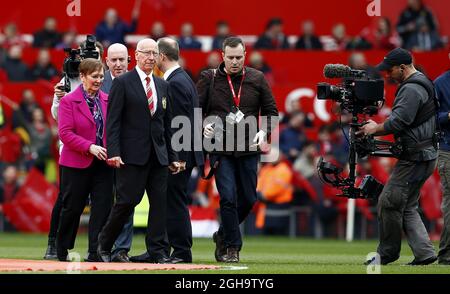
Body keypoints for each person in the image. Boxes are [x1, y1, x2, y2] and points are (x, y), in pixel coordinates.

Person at [97, 38, 181, 263]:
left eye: (155, 54)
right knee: (126, 203)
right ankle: (104, 244)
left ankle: (158, 251)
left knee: (159, 205)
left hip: (159, 156)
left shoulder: (163, 85)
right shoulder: (123, 82)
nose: (151, 58)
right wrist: (113, 151)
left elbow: (166, 124)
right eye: (146, 53)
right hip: (131, 156)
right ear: (136, 55)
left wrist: (173, 157)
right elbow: (112, 122)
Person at [197, 37, 279, 262]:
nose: (235, 61)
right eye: (230, 57)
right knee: (227, 198)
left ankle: (222, 234)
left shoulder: (257, 77)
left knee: (249, 198)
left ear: (245, 54)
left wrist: (265, 131)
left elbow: (272, 111)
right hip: (220, 150)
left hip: (248, 149)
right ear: (222, 55)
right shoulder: (209, 78)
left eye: (239, 57)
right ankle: (232, 247)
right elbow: (195, 110)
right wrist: (203, 126)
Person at [358, 48, 438, 266]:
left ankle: (387, 253)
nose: (387, 74)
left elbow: (399, 121)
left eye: (390, 70)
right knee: (407, 205)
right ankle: (425, 254)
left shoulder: (411, 88)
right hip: (425, 153)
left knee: (389, 201)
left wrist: (374, 129)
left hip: (415, 156)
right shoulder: (423, 81)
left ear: (402, 68)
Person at [44, 41, 104, 260]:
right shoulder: (67, 79)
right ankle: (54, 243)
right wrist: (59, 100)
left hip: (101, 154)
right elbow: (57, 117)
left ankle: (98, 248)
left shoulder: (104, 81)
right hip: (72, 150)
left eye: (96, 54)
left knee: (103, 201)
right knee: (67, 201)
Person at [55, 58, 112, 261]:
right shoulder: (68, 101)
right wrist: (89, 147)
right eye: (94, 76)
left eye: (101, 77)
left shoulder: (107, 99)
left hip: (103, 165)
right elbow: (65, 133)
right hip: (75, 164)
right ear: (82, 76)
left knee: (103, 206)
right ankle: (61, 248)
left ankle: (96, 251)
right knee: (72, 208)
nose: (98, 80)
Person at [157, 37, 204, 263]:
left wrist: (179, 159)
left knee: (174, 203)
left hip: (180, 156)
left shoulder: (174, 83)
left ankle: (182, 251)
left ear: (162, 56)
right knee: (173, 202)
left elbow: (180, 123)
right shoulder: (183, 78)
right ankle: (164, 249)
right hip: (185, 153)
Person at [435, 51, 450, 265]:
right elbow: (431, 118)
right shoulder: (440, 84)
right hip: (448, 149)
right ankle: (446, 254)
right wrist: (448, 116)